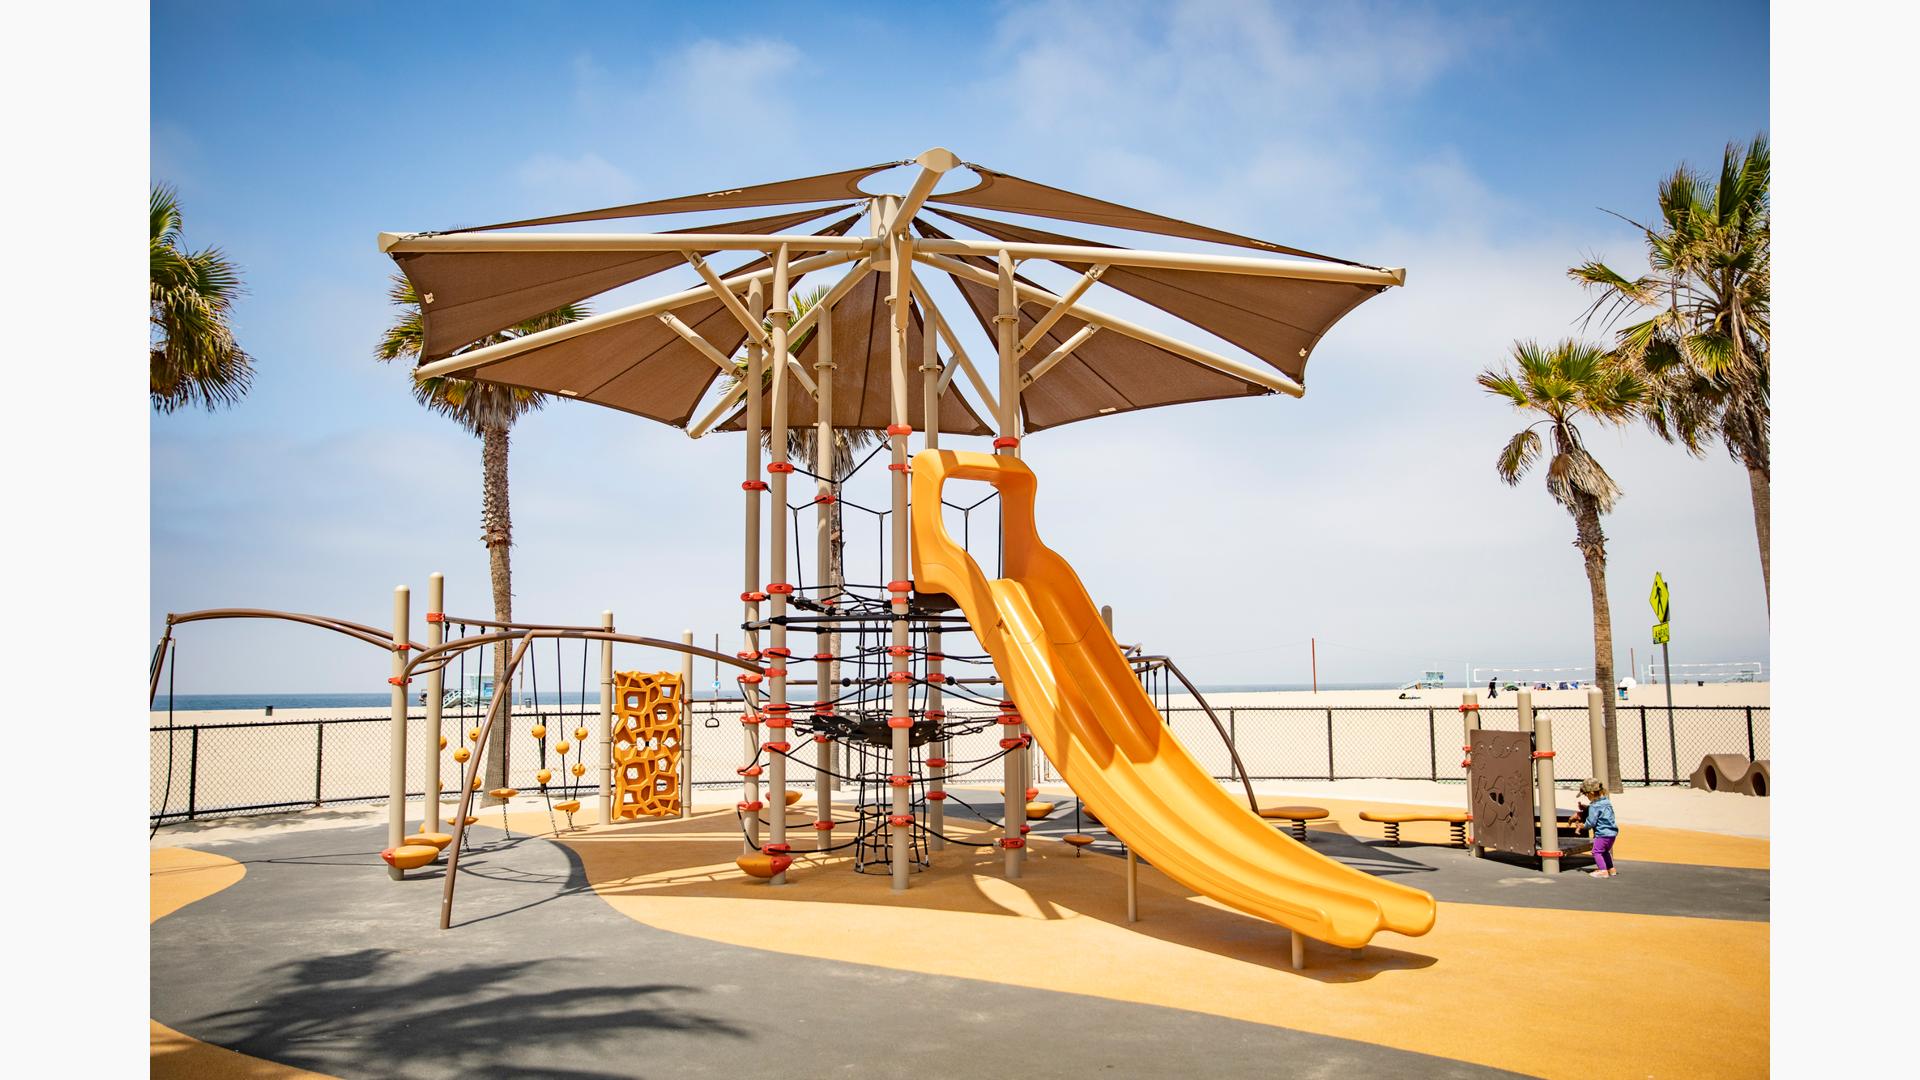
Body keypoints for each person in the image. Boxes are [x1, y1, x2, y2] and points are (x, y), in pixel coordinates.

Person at [1577, 778, 1619, 877]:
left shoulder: (1594, 806)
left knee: (1596, 851)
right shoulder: (1606, 802)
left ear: (1591, 793)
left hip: (1602, 834)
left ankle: (1602, 870)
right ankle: (1611, 869)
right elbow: (1600, 812)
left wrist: (1583, 826)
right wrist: (1587, 808)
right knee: (1605, 851)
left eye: (1586, 795)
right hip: (1612, 833)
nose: (1586, 797)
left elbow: (1591, 822)